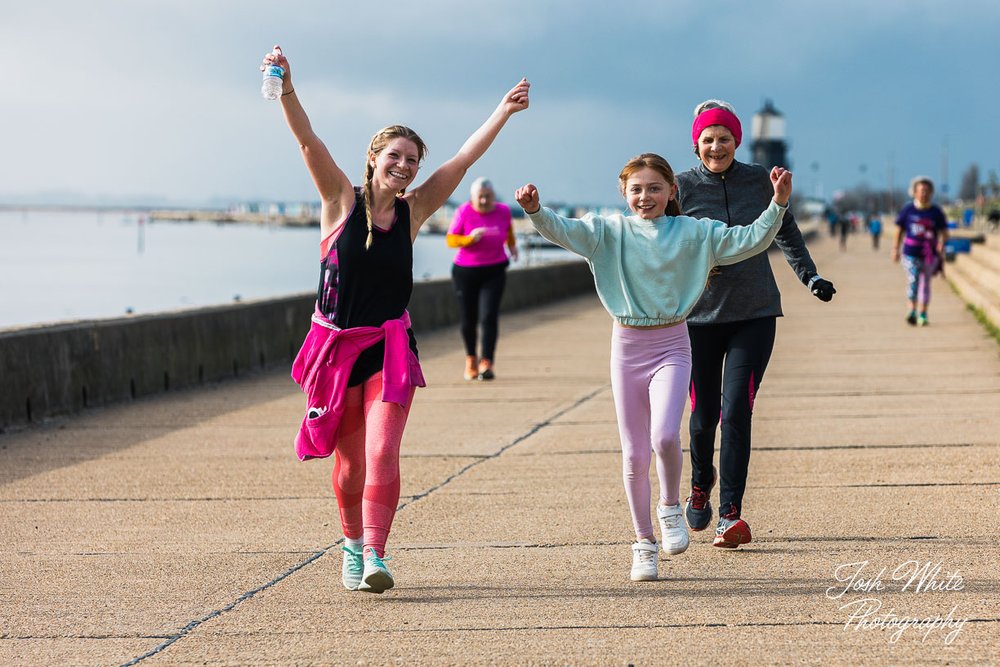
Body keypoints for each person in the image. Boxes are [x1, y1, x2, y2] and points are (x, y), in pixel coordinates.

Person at [262, 45, 529, 594]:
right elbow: (308, 141)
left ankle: (377, 554)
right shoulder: (339, 201)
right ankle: (352, 547)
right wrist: (287, 87)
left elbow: (462, 160)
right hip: (337, 354)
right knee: (350, 467)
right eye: (396, 157)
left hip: (388, 347)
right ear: (374, 157)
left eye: (412, 160)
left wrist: (502, 111)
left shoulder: (414, 210)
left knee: (384, 450)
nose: (405, 167)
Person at [514, 153, 793, 581]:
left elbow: (748, 241)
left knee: (665, 435)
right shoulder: (608, 231)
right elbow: (565, 231)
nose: (646, 197)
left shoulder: (695, 232)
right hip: (626, 346)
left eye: (655, 188)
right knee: (633, 452)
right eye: (637, 189)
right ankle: (643, 544)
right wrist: (535, 210)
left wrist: (777, 204)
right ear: (624, 194)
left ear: (671, 191)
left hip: (672, 343)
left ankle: (669, 508)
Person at [676, 100, 836, 550]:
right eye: (708, 139)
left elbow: (784, 231)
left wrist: (811, 278)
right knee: (704, 417)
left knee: (738, 413)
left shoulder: (759, 181)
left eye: (724, 138)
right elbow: (658, 242)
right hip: (699, 319)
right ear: (696, 143)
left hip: (755, 313)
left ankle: (731, 515)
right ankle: (700, 484)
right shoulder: (681, 188)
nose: (716, 146)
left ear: (737, 141)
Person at [446, 178, 519, 381]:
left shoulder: (503, 211)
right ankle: (471, 359)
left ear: (494, 196)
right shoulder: (463, 211)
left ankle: (487, 362)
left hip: (494, 270)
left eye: (488, 196)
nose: (485, 201)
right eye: (481, 197)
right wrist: (469, 238)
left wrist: (512, 247)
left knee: (488, 316)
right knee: (468, 318)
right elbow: (451, 239)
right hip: (465, 271)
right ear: (473, 198)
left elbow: (508, 232)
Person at [891, 176, 948, 327]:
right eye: (921, 191)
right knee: (914, 280)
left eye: (927, 191)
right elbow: (899, 230)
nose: (924, 194)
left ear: (931, 193)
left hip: (929, 254)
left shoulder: (936, 212)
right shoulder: (908, 210)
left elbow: (944, 231)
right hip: (910, 253)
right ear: (914, 192)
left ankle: (923, 313)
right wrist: (895, 249)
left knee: (925, 284)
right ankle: (912, 311)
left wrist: (942, 243)